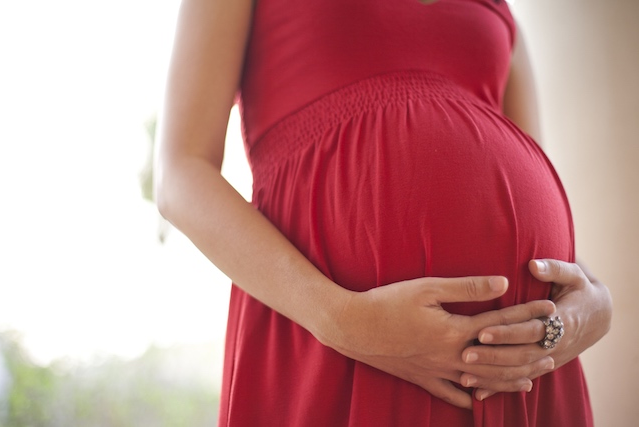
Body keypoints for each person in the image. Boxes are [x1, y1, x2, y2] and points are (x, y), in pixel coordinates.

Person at [154, 0, 612, 425]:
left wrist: (589, 305)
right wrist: (343, 320)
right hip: (335, 344)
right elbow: (181, 172)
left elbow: (527, 174)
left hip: (519, 373)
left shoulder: (498, 8)